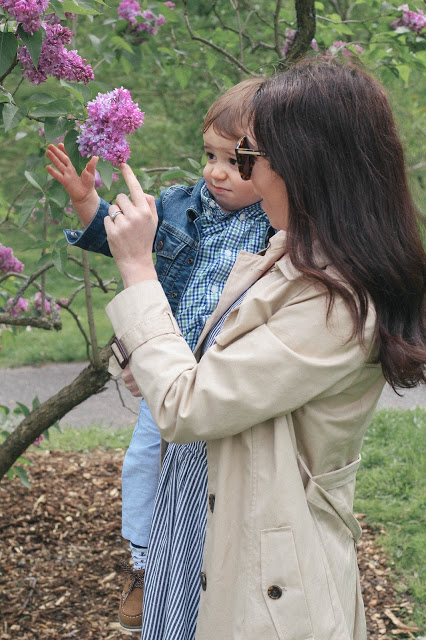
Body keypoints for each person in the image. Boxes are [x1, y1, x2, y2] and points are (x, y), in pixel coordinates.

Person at [101, 58, 425, 640]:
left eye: (249, 159)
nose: (238, 174)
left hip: (265, 577)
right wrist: (141, 361)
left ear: (304, 168)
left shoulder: (338, 303)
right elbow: (202, 359)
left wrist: (136, 266)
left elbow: (190, 404)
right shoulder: (291, 252)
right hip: (201, 523)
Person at [45, 77, 273, 633]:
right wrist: (87, 203)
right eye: (210, 156)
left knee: (209, 493)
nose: (216, 172)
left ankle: (198, 574)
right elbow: (122, 240)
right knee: (145, 464)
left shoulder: (278, 227)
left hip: (219, 381)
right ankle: (148, 569)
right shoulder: (177, 205)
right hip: (163, 370)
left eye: (234, 160)